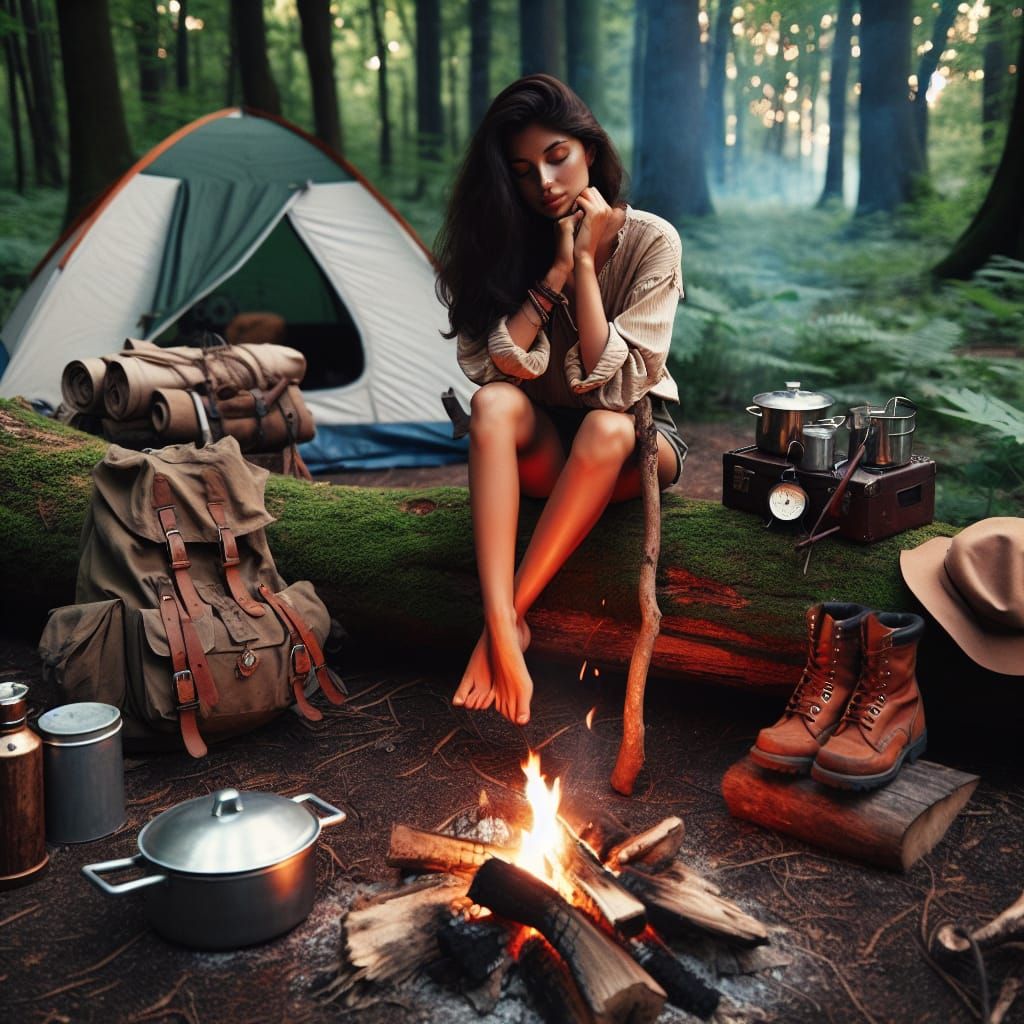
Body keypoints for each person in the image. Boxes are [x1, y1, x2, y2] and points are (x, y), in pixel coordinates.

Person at [435, 74, 687, 726]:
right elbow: (491, 369)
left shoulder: (652, 240)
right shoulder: (503, 240)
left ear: (590, 151)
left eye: (557, 157)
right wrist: (551, 272)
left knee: (605, 427)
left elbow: (618, 386)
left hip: (637, 445)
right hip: (547, 449)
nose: (544, 182)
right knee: (493, 405)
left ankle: (505, 621)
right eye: (522, 171)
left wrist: (585, 266)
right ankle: (502, 624)